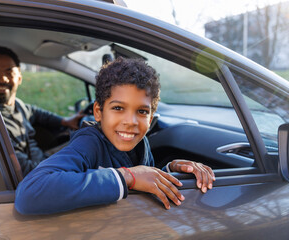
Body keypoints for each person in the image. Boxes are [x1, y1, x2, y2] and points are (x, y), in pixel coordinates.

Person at [15, 57, 215, 215]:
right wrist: (127, 176)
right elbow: (30, 193)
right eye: (118, 108)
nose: (131, 121)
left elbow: (143, 181)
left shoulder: (140, 143)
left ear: (151, 116)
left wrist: (171, 170)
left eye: (142, 112)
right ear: (98, 112)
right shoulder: (89, 143)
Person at [0, 47, 84, 176]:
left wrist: (65, 121)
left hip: (43, 161)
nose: (2, 78)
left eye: (9, 72)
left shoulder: (18, 105)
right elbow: (25, 173)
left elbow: (36, 113)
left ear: (19, 78)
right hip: (41, 174)